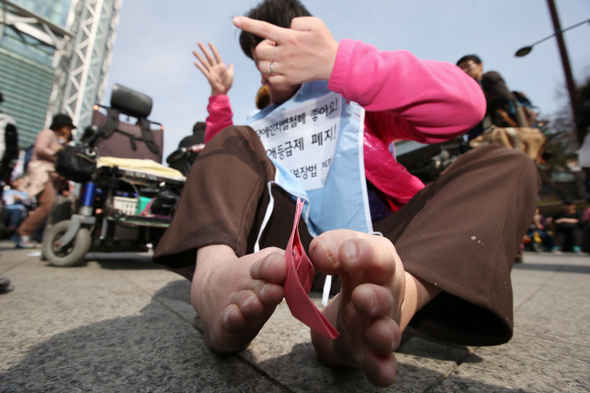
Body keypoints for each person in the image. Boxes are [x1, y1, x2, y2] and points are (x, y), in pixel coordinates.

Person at [153, 0, 539, 387]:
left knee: (507, 163)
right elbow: (218, 172)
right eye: (259, 48)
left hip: (386, 247)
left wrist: (340, 62)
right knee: (229, 140)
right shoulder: (254, 129)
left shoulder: (356, 98)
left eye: (278, 40)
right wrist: (220, 98)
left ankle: (386, 305)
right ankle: (213, 277)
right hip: (288, 251)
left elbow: (466, 107)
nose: (266, 54)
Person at [12, 114, 74, 248]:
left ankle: (28, 234)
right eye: (69, 127)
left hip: (49, 176)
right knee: (47, 204)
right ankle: (24, 233)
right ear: (62, 126)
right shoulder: (47, 133)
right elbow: (40, 148)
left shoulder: (57, 139)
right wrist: (60, 157)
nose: (70, 131)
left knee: (48, 205)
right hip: (42, 173)